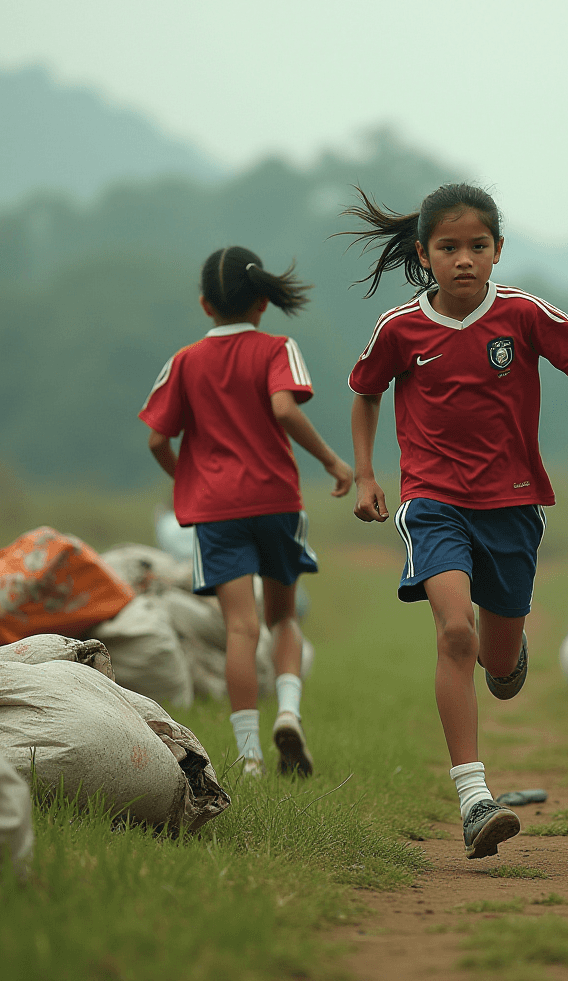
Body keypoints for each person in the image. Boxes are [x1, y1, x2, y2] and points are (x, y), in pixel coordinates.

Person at [344, 184, 568, 858]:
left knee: (497, 661)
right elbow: (366, 393)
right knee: (455, 633)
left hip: (515, 505)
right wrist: (367, 473)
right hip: (434, 502)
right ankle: (473, 799)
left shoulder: (522, 315)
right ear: (423, 254)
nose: (464, 259)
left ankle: (509, 650)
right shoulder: (400, 328)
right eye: (448, 247)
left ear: (497, 251)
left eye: (477, 246)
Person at [140, 246, 352, 778]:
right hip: (277, 502)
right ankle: (287, 712)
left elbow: (157, 440)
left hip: (216, 513)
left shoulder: (184, 362)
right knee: (282, 618)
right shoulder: (279, 348)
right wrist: (331, 461)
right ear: (263, 302)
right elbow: (284, 408)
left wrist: (190, 482)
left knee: (240, 628)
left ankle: (250, 757)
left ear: (205, 305)